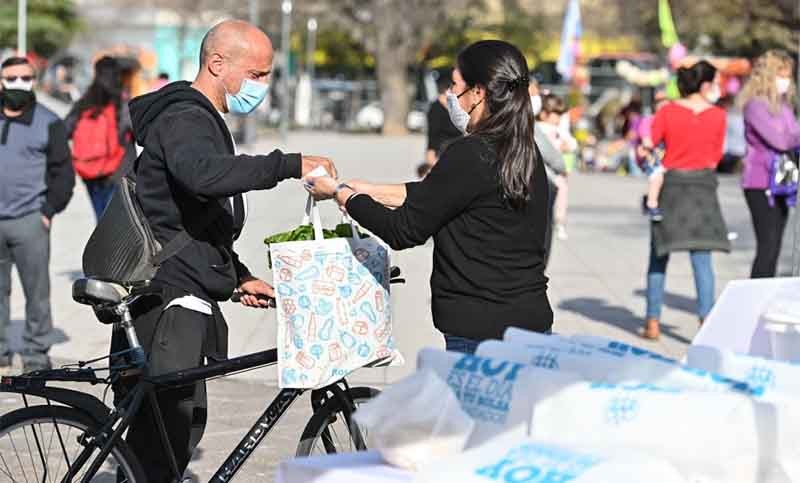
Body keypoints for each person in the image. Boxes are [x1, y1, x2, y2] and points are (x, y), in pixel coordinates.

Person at [110, 20, 335, 483]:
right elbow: (203, 176)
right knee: (162, 441)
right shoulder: (186, 118)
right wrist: (289, 164)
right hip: (168, 299)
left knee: (177, 433)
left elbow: (196, 219)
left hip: (186, 290)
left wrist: (238, 275)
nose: (264, 86)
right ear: (217, 64)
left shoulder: (198, 118)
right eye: (258, 74)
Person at [307, 40, 553, 355]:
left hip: (482, 335)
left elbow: (403, 230)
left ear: (478, 92)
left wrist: (341, 195)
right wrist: (366, 189)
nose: (450, 94)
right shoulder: (522, 149)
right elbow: (437, 194)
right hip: (530, 322)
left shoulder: (471, 153)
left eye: (455, 84)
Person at [642, 60, 728, 340]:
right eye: (715, 82)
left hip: (673, 186)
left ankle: (652, 322)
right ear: (705, 85)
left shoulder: (667, 111)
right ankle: (706, 322)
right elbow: (716, 156)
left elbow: (650, 145)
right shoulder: (718, 116)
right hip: (703, 187)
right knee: (702, 259)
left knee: (659, 255)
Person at [0, 57, 74, 372]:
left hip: (30, 219)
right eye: (11, 77)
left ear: (35, 80)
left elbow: (64, 174)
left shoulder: (49, 121)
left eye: (25, 77)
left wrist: (47, 211)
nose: (19, 83)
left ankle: (35, 353)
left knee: (37, 294)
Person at [739, 50, 800, 278]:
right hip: (760, 182)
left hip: (782, 182)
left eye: (788, 75)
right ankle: (753, 300)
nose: (786, 80)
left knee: (774, 249)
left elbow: (792, 134)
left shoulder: (784, 106)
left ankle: (764, 298)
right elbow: (782, 140)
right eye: (781, 74)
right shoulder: (756, 106)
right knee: (767, 247)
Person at [65, 56, 135, 220]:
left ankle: (102, 244)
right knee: (115, 224)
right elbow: (135, 129)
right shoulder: (123, 102)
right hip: (117, 170)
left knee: (100, 217)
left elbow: (65, 129)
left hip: (89, 169)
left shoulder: (84, 102)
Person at [537, 93, 574, 240]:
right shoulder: (541, 129)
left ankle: (558, 220)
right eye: (556, 114)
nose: (558, 119)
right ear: (545, 114)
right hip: (549, 171)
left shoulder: (556, 129)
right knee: (559, 191)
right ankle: (559, 220)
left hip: (553, 171)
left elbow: (571, 144)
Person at [419, 71, 462, 177]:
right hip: (442, 153)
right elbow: (432, 135)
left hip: (460, 151)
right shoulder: (435, 109)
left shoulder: (458, 107)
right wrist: (430, 159)